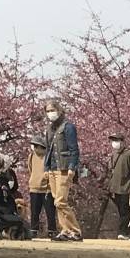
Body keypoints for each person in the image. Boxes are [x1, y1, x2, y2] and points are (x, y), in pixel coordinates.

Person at [41, 101, 84, 241]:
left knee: (60, 201)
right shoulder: (49, 129)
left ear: (59, 110)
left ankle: (75, 231)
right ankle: (65, 230)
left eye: (52, 110)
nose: (50, 113)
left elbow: (74, 149)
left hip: (64, 168)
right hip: (52, 169)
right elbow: (48, 150)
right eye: (47, 111)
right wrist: (46, 168)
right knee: (56, 201)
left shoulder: (68, 127)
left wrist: (72, 167)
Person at [92, 134, 130, 239]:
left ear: (123, 141)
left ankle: (123, 232)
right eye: (113, 140)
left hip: (127, 188)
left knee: (125, 211)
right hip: (115, 189)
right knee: (123, 211)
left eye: (117, 140)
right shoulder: (114, 155)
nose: (115, 143)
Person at [25, 140, 56, 240]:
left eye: (37, 146)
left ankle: (52, 231)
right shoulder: (31, 156)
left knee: (50, 211)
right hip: (34, 188)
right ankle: (33, 230)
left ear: (42, 147)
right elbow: (30, 168)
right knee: (34, 211)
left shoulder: (48, 156)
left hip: (47, 189)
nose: (35, 148)